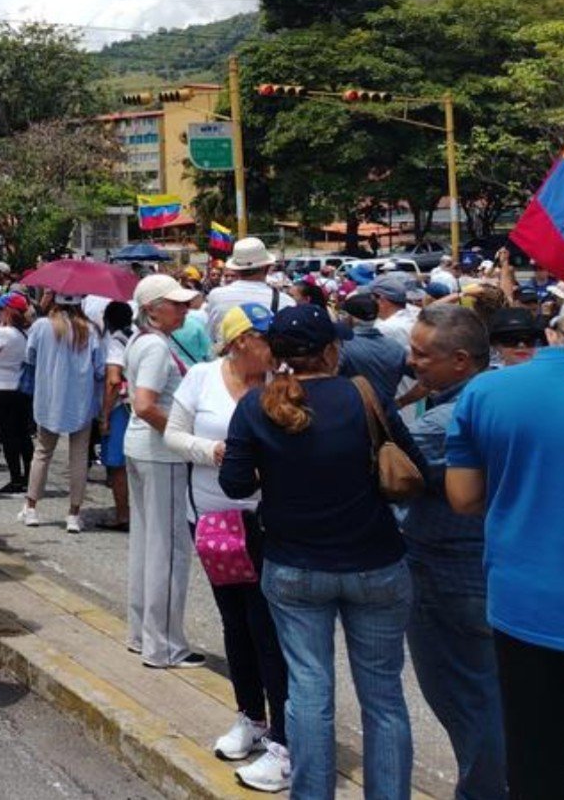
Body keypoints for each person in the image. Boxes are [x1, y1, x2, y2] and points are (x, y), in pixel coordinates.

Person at [220, 305, 428, 800]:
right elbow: (414, 467)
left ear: (278, 354)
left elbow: (233, 484)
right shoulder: (364, 395)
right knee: (383, 698)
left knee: (308, 694)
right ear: (333, 350)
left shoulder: (254, 406)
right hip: (374, 560)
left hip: (294, 565)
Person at [444, 293, 564, 800]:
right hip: (532, 603)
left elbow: (462, 498)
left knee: (536, 764)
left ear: (552, 334)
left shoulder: (488, 391)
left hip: (529, 603)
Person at [165, 305, 290, 793]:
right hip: (215, 521)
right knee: (234, 622)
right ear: (240, 341)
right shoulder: (201, 377)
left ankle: (282, 734)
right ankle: (250, 717)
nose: (274, 348)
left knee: (267, 628)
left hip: (269, 521)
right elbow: (173, 433)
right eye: (265, 338)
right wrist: (211, 451)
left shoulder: (283, 382)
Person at [400, 305, 504, 800]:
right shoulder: (508, 392)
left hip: (449, 571)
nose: (411, 361)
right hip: (496, 565)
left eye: (422, 354)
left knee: (466, 697)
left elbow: (384, 460)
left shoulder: (446, 420)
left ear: (461, 360)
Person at [124, 274, 206, 668]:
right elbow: (144, 404)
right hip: (162, 454)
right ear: (153, 309)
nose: (184, 309)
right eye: (175, 304)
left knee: (147, 546)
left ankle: (143, 634)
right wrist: (179, 436)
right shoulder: (156, 346)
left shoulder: (145, 341)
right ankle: (166, 645)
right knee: (169, 550)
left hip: (143, 449)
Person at [19, 294, 103, 530]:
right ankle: (74, 514)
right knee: (78, 457)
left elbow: (30, 357)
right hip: (81, 399)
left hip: (49, 397)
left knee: (42, 452)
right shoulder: (90, 329)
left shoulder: (41, 326)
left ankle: (32, 507)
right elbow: (99, 369)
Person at [0, 293, 34, 496]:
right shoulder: (26, 332)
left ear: (7, 310)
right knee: (24, 434)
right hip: (21, 387)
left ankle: (15, 478)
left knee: (8, 435)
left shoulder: (3, 333)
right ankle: (30, 476)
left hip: (1, 386)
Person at [97, 300, 136, 531]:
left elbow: (113, 381)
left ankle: (123, 514)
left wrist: (105, 415)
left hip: (122, 408)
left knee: (118, 466)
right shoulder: (137, 336)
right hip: (140, 406)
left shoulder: (115, 342)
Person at [337, 291, 410, 405]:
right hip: (387, 415)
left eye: (342, 314)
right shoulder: (397, 348)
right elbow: (425, 382)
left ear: (350, 318)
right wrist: (401, 403)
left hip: (353, 414)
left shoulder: (343, 348)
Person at [204, 237, 281, 335]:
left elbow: (209, 332)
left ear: (235, 269)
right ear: (267, 267)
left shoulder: (216, 296)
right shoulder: (285, 301)